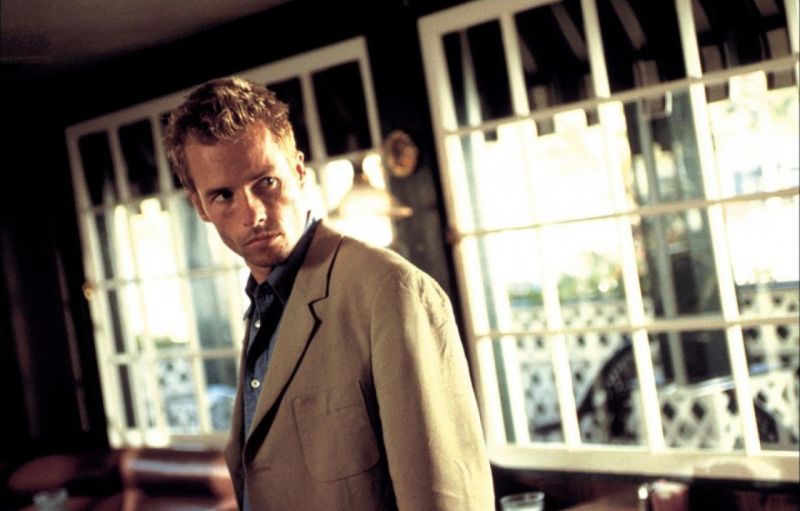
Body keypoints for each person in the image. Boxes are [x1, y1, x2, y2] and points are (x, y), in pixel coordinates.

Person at [164, 76, 494, 510]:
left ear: (298, 170)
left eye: (266, 182)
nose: (253, 214)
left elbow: (447, 499)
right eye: (223, 195)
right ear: (199, 206)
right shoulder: (263, 306)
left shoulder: (390, 292)